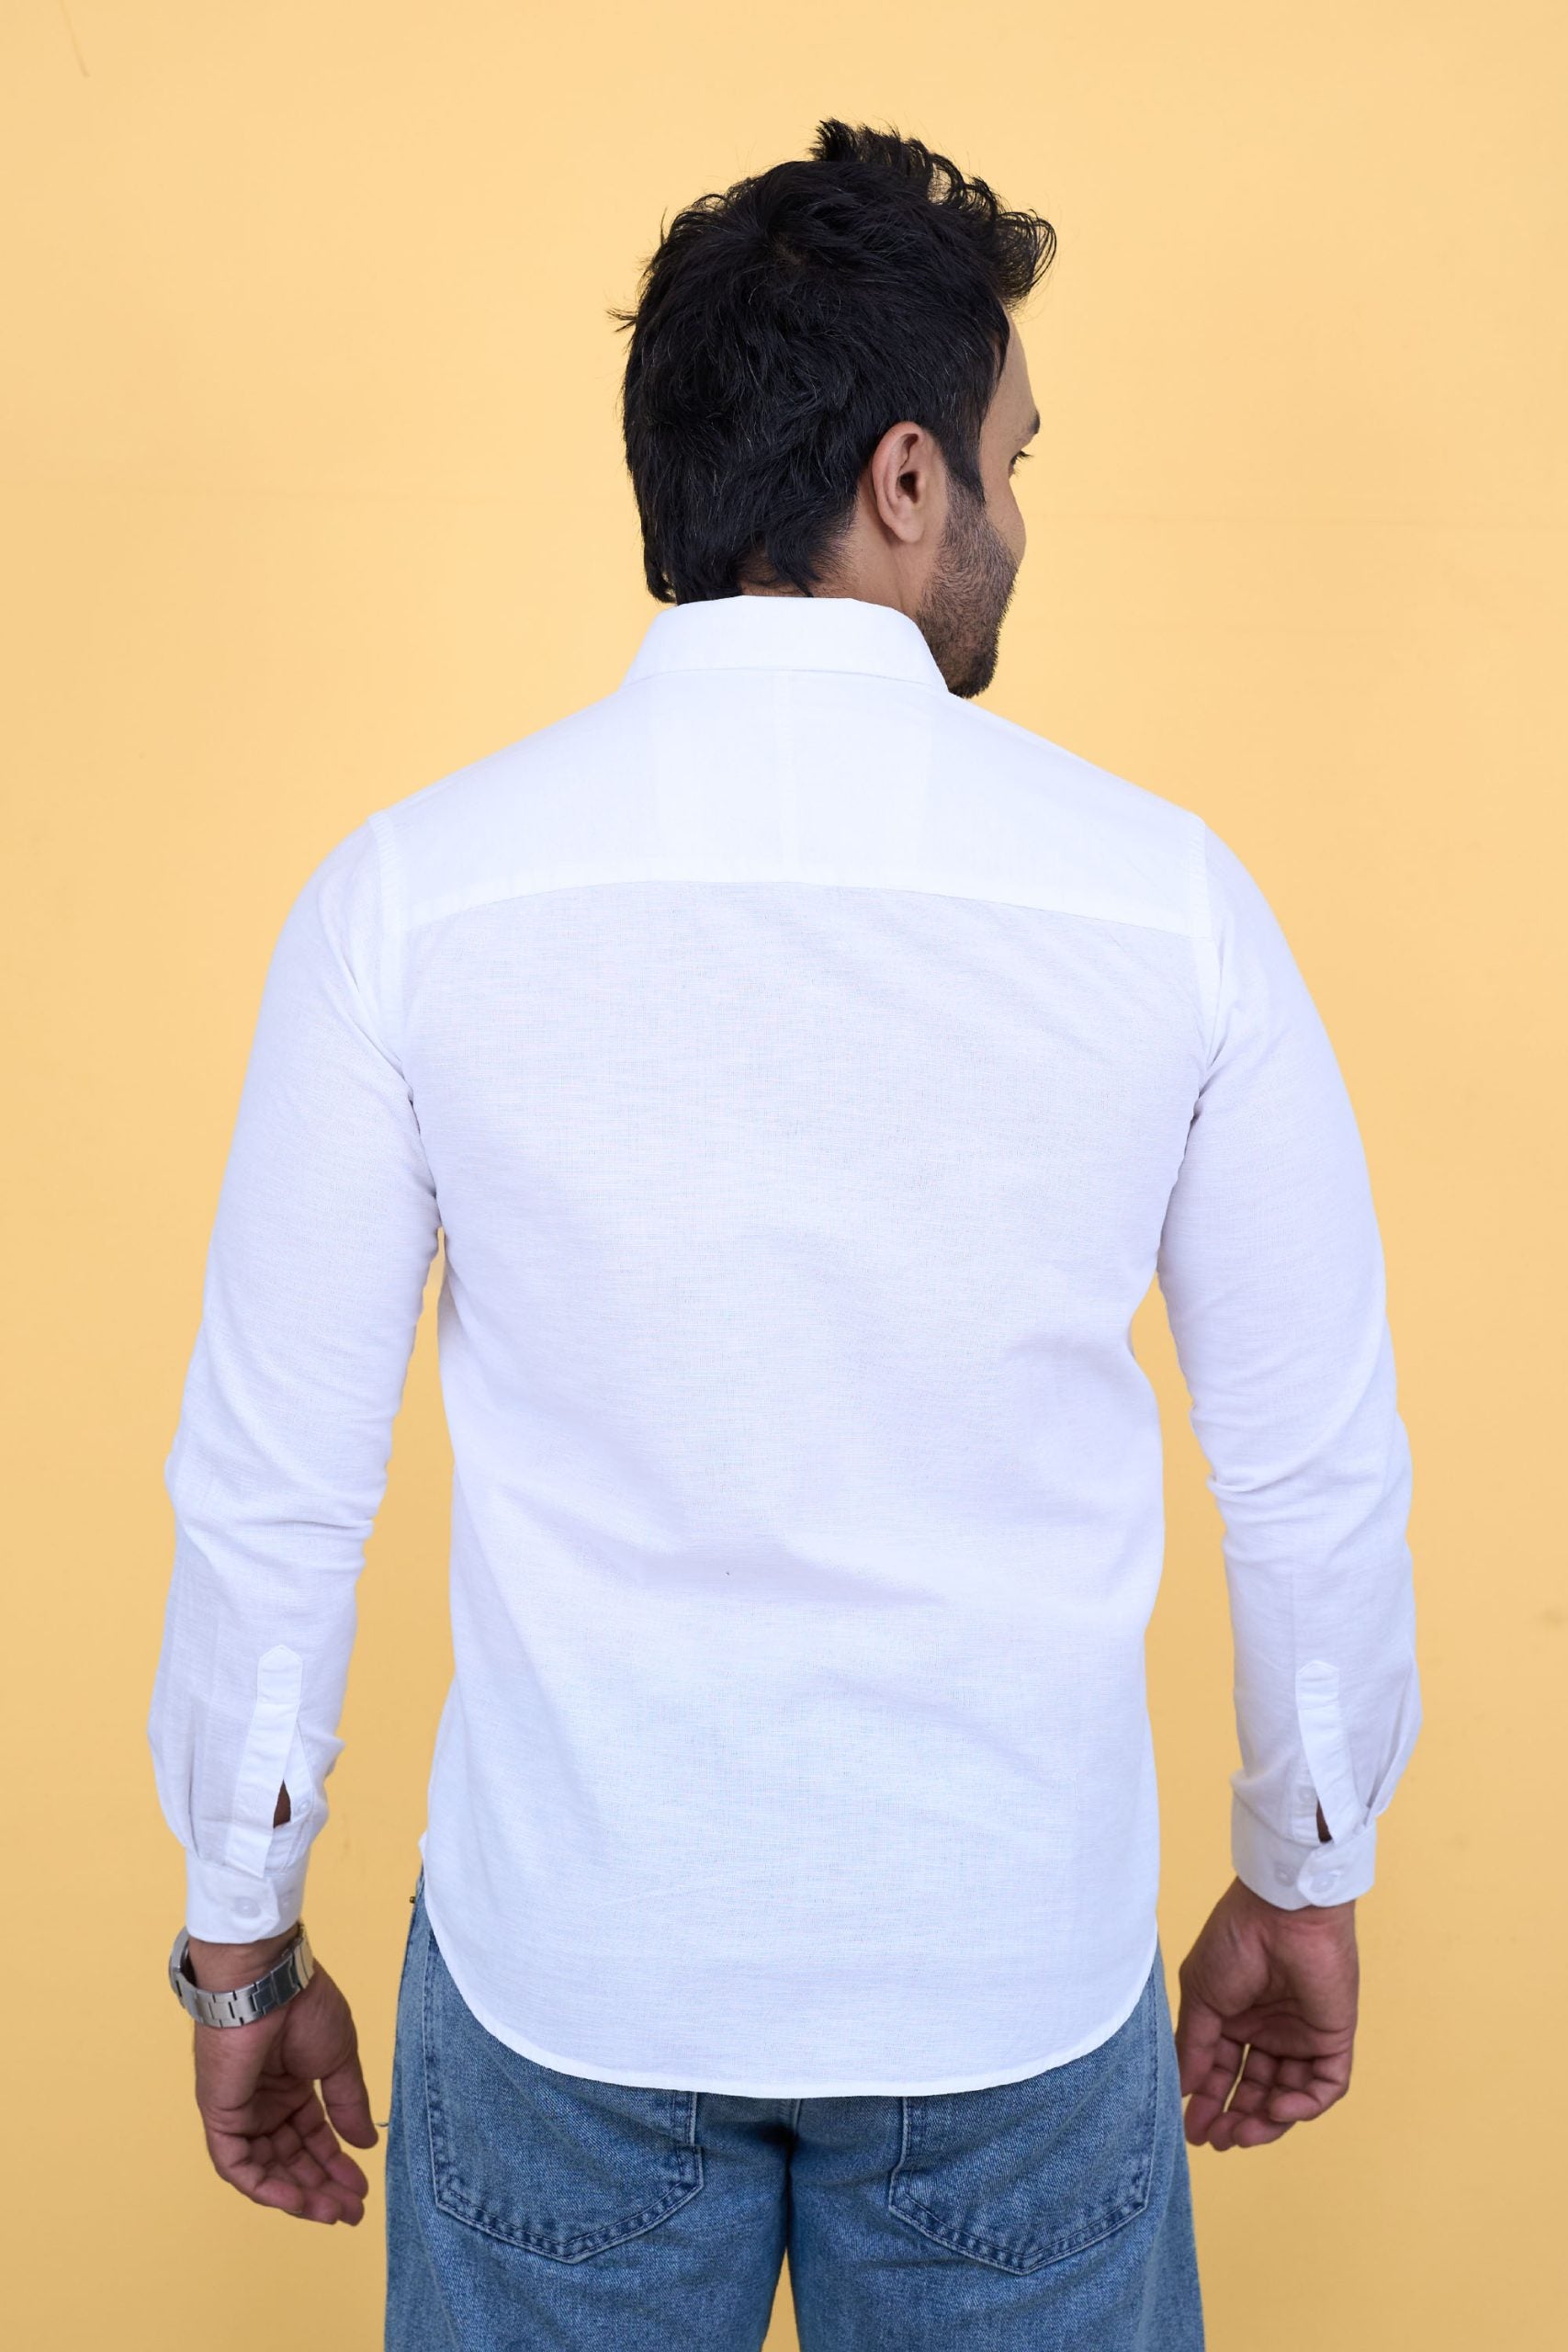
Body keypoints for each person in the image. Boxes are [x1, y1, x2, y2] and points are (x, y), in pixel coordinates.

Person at [147, 119, 1422, 2350]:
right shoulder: (1165, 906)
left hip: (567, 1985)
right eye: (1011, 462)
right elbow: (1306, 1472)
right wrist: (1302, 1871)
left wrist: (240, 1941)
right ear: (903, 481)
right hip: (1005, 1988)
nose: (1016, 515)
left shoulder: (412, 899)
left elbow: (278, 1488)